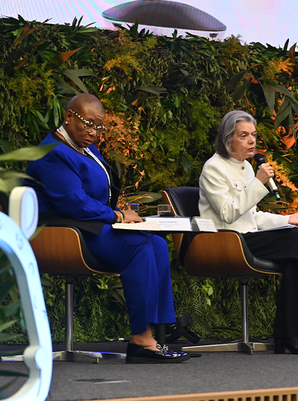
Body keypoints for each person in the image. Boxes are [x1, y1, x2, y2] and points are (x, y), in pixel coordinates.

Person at [27, 94, 189, 363]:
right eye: (88, 124)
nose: (93, 132)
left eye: (99, 127)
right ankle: (141, 340)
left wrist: (120, 215)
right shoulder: (53, 153)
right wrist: (115, 214)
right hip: (64, 232)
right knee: (139, 248)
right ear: (68, 117)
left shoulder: (83, 147)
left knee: (158, 244)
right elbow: (73, 202)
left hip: (89, 225)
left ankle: (156, 334)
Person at [198, 110, 298, 355]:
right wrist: (259, 183)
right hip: (226, 240)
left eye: (253, 135)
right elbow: (228, 214)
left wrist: (288, 219)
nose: (252, 141)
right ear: (228, 139)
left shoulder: (247, 168)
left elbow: (253, 216)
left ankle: (286, 335)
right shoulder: (213, 168)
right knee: (296, 240)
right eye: (244, 135)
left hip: (248, 236)